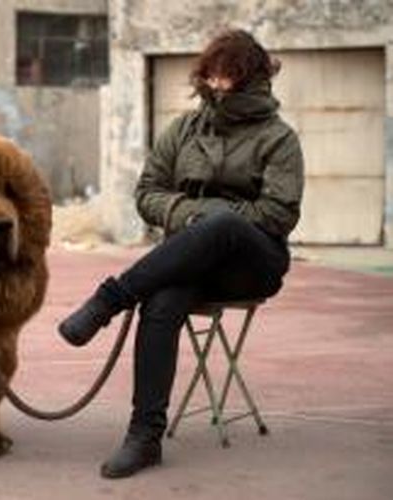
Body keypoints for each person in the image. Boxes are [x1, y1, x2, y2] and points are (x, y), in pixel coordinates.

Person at [58, 29, 304, 479]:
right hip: (190, 257)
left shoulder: (279, 138)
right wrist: (190, 216)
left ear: (251, 78)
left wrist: (211, 217)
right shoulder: (183, 130)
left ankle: (109, 300)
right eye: (210, 73)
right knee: (163, 298)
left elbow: (278, 213)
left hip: (254, 263)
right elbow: (147, 192)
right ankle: (144, 436)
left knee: (224, 225)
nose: (215, 84)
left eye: (226, 75)